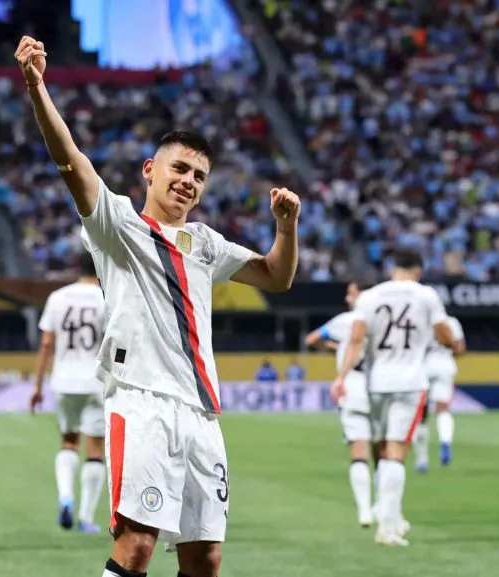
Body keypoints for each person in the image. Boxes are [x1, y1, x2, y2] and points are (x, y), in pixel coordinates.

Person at [15, 35, 300, 577]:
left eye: (198, 176)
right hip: (142, 403)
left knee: (205, 558)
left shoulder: (206, 243)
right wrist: (36, 86)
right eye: (179, 169)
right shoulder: (118, 225)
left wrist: (285, 227)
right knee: (137, 547)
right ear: (150, 169)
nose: (188, 182)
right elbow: (70, 162)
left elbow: (277, 277)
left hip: (202, 413)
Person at [330, 250, 455, 547]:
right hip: (411, 382)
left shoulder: (370, 297)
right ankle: (388, 524)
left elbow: (357, 340)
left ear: (392, 267)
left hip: (375, 383)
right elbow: (445, 336)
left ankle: (388, 517)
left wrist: (341, 377)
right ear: (419, 270)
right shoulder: (427, 296)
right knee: (397, 451)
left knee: (382, 448)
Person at [30, 252, 108, 533]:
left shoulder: (58, 297)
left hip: (63, 380)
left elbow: (46, 345)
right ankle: (86, 519)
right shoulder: (106, 298)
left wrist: (37, 385)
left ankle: (66, 498)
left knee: (68, 441)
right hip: (96, 381)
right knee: (95, 450)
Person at [306, 281, 376, 528]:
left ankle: (365, 510)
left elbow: (312, 338)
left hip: (354, 387)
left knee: (359, 453)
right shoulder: (383, 318)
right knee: (386, 453)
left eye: (351, 293)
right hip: (382, 388)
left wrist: (336, 348)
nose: (348, 298)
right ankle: (384, 509)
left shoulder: (345, 321)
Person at [412, 316, 466, 471]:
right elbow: (460, 349)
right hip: (444, 366)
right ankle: (445, 442)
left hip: (422, 368)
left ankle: (422, 459)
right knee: (443, 409)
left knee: (421, 415)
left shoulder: (418, 321)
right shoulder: (452, 322)